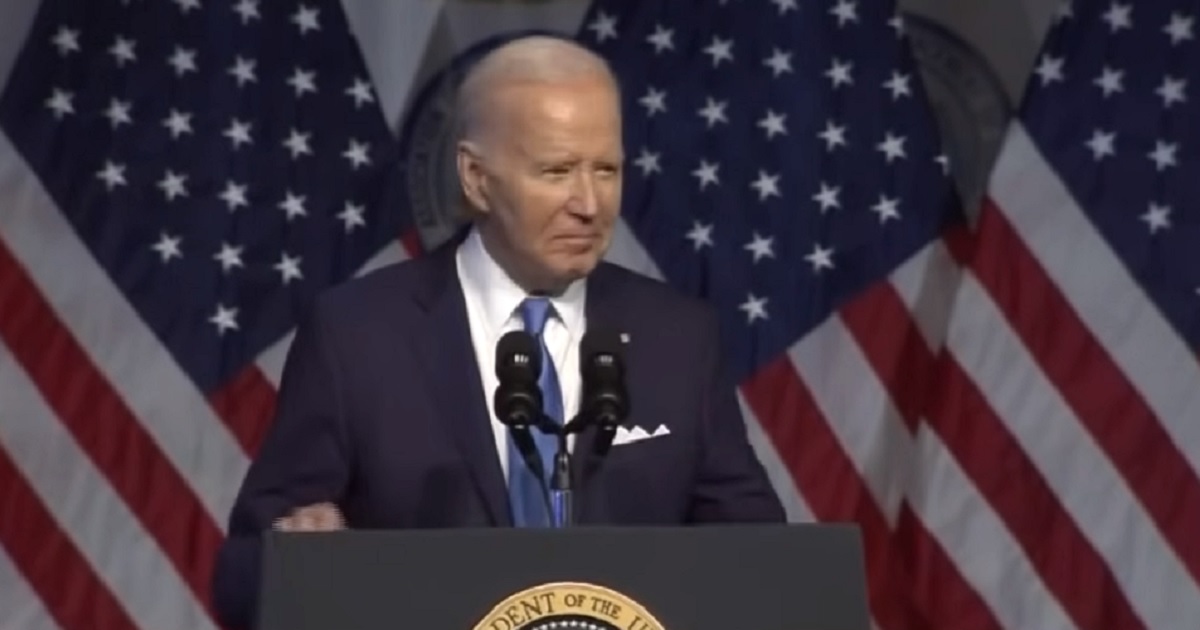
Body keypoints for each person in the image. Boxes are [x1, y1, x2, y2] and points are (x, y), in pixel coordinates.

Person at [210, 34, 784, 629]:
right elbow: (244, 573)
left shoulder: (678, 338)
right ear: (476, 178)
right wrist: (299, 558)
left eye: (607, 170)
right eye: (557, 170)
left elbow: (763, 559)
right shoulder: (357, 336)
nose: (589, 203)